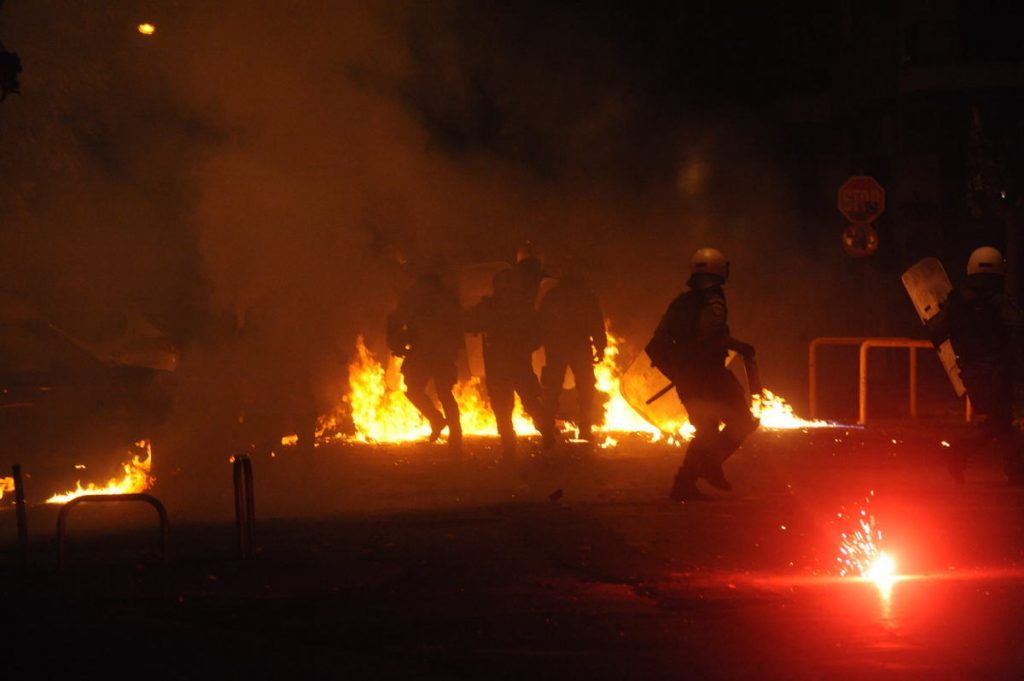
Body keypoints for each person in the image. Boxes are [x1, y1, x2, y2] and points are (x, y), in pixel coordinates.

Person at [646, 247, 759, 501]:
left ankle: (684, 484)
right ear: (719, 271)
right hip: (710, 376)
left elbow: (657, 344)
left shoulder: (681, 302)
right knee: (742, 421)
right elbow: (711, 339)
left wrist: (678, 371)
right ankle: (709, 464)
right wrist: (739, 346)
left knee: (706, 430)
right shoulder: (714, 301)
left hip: (689, 378)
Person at [933, 246, 1023, 482]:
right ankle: (958, 452)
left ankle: (1015, 468)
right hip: (996, 371)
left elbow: (936, 331)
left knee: (1000, 420)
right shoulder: (998, 302)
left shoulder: (957, 302)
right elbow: (1017, 325)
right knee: (999, 420)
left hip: (971, 372)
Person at [464, 268, 552, 458]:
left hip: (498, 363)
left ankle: (509, 446)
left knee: (502, 405)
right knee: (530, 400)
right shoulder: (523, 306)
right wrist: (527, 347)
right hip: (519, 361)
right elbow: (539, 332)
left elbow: (469, 321)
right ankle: (547, 432)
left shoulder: (491, 306)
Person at [387, 267, 464, 452]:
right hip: (432, 352)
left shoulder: (416, 296)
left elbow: (396, 319)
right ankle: (449, 430)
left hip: (427, 352)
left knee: (426, 391)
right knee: (438, 392)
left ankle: (449, 430)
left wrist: (396, 343)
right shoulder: (445, 297)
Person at [538, 258, 607, 442]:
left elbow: (541, 322)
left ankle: (548, 431)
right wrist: (600, 346)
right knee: (585, 387)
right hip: (579, 346)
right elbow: (597, 322)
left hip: (557, 347)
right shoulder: (586, 295)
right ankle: (584, 428)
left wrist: (538, 343)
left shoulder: (553, 295)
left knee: (553, 389)